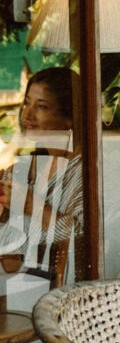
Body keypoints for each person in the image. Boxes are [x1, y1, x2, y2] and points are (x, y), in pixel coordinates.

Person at [0, 66, 82, 275]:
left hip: (49, 289)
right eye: (27, 102)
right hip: (12, 280)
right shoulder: (22, 168)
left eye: (42, 107)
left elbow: (82, 240)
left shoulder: (85, 171)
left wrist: (31, 204)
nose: (27, 114)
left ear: (69, 117)